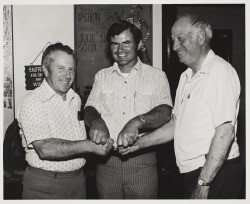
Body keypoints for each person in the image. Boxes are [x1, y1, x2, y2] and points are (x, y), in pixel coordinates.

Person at [119, 14, 243, 199]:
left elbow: (225, 133)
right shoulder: (186, 77)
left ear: (201, 37)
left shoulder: (219, 71)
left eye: (180, 39)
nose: (175, 46)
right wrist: (137, 145)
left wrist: (203, 184)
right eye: (173, 40)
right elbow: (174, 126)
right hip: (195, 173)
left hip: (215, 174)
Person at [84, 20, 173, 199]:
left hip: (142, 161)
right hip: (107, 163)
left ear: (139, 44)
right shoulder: (102, 76)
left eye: (126, 43)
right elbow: (89, 108)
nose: (120, 50)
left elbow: (165, 111)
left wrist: (136, 122)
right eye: (115, 44)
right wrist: (96, 121)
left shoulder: (156, 76)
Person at [17, 42, 114, 199]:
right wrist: (90, 146)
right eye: (60, 68)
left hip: (78, 181)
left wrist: (98, 130)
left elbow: (76, 135)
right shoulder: (33, 101)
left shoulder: (74, 98)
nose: (67, 75)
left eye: (71, 69)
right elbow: (45, 148)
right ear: (45, 70)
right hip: (45, 185)